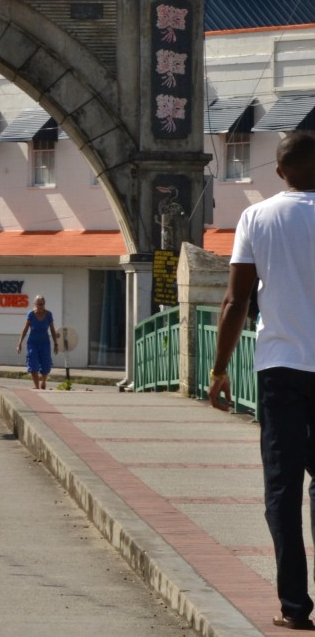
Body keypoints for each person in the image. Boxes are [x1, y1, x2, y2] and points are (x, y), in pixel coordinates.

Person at [209, 131, 315, 631]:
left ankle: (295, 607)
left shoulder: (257, 217)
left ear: (279, 171)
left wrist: (218, 368)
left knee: (282, 489)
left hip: (279, 372)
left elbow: (235, 301)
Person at [16, 294, 59, 390]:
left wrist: (56, 343)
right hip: (32, 343)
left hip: (45, 343)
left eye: (42, 304)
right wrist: (19, 343)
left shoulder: (49, 314)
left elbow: (52, 329)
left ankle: (43, 382)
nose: (40, 306)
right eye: (38, 304)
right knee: (33, 364)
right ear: (35, 304)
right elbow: (25, 329)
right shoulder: (31, 314)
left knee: (45, 364)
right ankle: (36, 386)